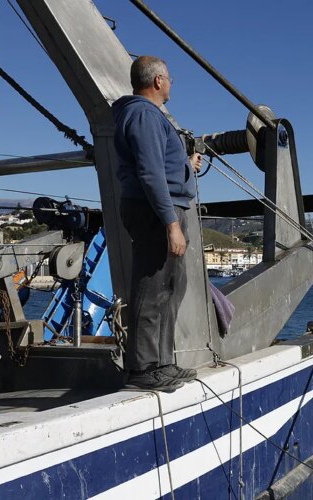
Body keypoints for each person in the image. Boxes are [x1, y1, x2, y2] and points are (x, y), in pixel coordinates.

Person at [112, 56, 203, 392]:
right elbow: (150, 173)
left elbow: (159, 164)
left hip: (161, 207)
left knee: (170, 290)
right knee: (151, 289)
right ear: (158, 81)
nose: (171, 84)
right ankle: (142, 368)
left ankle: (162, 363)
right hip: (154, 211)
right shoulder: (143, 114)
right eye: (170, 78)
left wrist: (185, 163)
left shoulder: (145, 116)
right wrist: (171, 224)